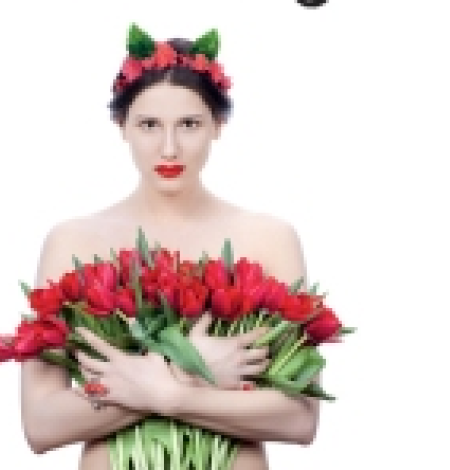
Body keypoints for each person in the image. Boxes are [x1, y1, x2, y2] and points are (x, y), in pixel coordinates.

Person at [20, 24, 320, 470]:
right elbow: (41, 424)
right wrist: (190, 368)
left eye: (190, 124)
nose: (169, 148)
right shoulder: (74, 241)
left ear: (218, 125)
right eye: (148, 125)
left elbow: (300, 419)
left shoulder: (268, 238)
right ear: (121, 126)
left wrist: (171, 393)